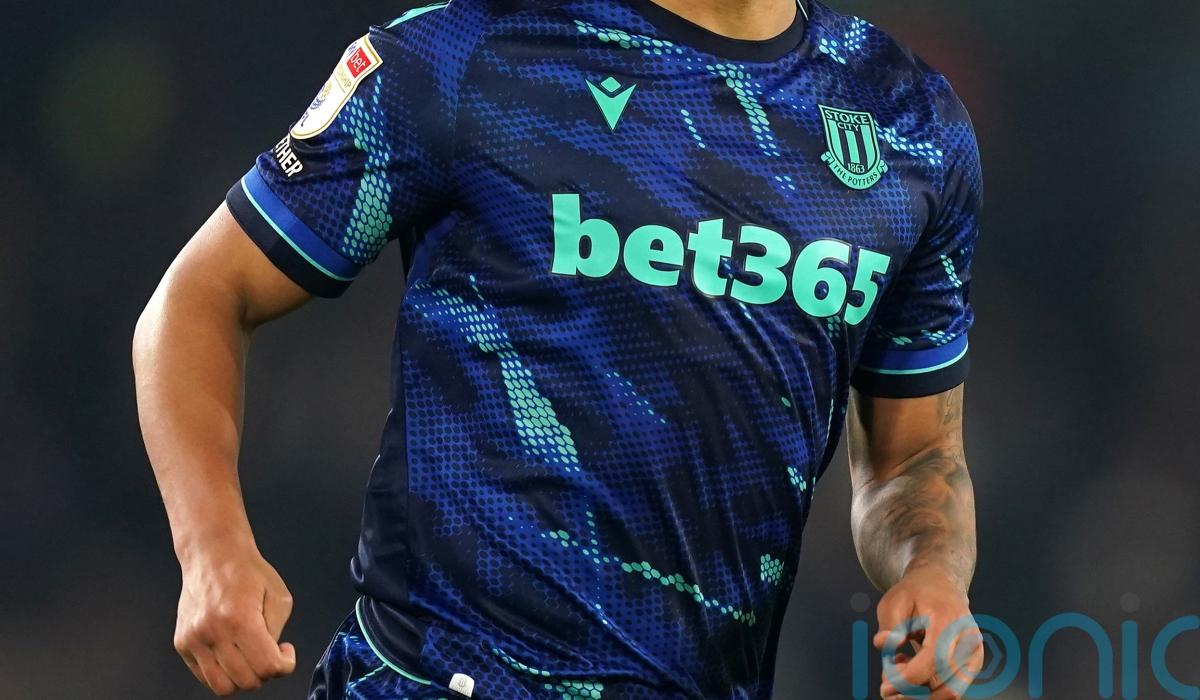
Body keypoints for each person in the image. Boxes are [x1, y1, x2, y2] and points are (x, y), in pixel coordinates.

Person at [133, 0, 985, 696]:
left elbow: (914, 459)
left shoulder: (909, 124)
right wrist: (211, 549)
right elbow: (200, 296)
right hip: (431, 681)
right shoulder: (467, 51)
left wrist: (934, 571)